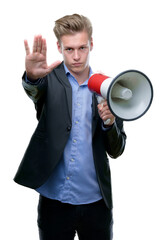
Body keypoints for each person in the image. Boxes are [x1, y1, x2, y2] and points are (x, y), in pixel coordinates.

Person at [14, 14, 127, 240]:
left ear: (91, 44)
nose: (76, 56)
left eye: (82, 47)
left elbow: (116, 150)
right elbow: (35, 92)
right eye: (69, 49)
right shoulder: (49, 79)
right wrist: (32, 79)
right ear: (59, 47)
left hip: (96, 203)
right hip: (53, 202)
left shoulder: (107, 87)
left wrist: (110, 123)